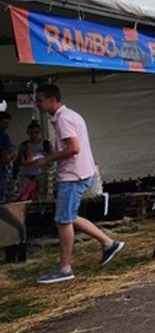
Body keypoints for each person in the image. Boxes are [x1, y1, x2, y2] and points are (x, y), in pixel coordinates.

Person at [33, 84, 124, 284]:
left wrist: (49, 158)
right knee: (69, 217)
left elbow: (74, 148)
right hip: (80, 172)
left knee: (63, 220)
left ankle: (65, 268)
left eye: (39, 100)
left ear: (51, 100)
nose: (37, 104)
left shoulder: (63, 119)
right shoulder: (70, 115)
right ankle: (109, 243)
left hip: (73, 175)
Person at [15, 121, 51, 201]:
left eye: (36, 132)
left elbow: (51, 158)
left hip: (41, 173)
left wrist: (45, 161)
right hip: (26, 173)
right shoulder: (24, 145)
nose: (34, 135)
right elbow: (18, 160)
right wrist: (25, 162)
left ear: (40, 132)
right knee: (25, 194)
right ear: (28, 133)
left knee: (41, 195)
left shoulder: (46, 144)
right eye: (31, 133)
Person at [0, 112, 12, 202]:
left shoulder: (5, 136)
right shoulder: (3, 136)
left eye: (7, 123)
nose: (6, 126)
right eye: (5, 123)